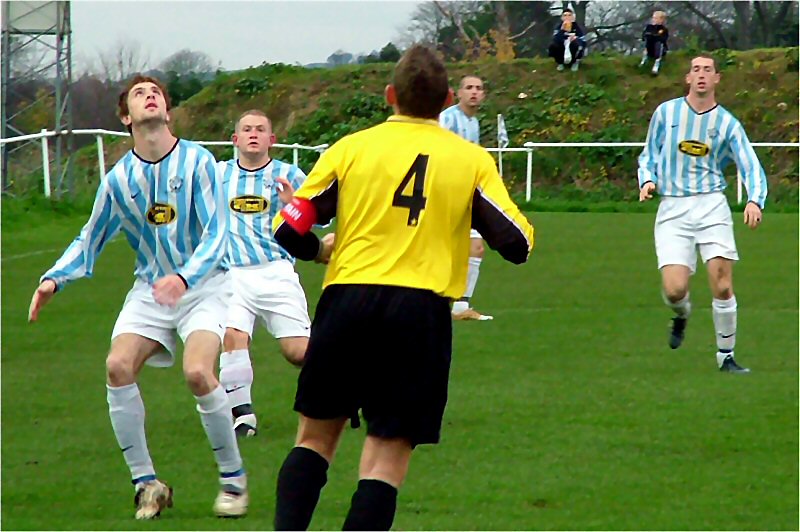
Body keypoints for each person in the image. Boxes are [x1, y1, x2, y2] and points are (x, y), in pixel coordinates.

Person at [269, 44, 535, 531]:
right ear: (449, 99)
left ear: (389, 95)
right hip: (419, 313)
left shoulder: (351, 148)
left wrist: (318, 251)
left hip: (347, 301)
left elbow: (288, 230)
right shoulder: (470, 160)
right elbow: (515, 244)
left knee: (313, 439)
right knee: (386, 458)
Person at [27, 75, 248, 519]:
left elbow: (218, 234)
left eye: (157, 92)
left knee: (198, 373)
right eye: (139, 94)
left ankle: (233, 481)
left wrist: (184, 279)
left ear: (167, 109)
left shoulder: (199, 162)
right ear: (126, 117)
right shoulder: (118, 180)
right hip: (150, 289)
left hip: (204, 287)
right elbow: (90, 238)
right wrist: (54, 279)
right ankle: (147, 483)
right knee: (116, 366)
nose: (150, 96)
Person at [638, 55, 768, 374]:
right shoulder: (666, 113)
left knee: (722, 284)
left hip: (711, 204)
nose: (701, 75)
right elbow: (648, 154)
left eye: (707, 70)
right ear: (687, 78)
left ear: (716, 79)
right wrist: (648, 180)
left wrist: (755, 200)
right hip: (673, 208)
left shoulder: (726, 123)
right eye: (696, 70)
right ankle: (681, 315)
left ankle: (726, 356)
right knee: (674, 290)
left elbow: (749, 163)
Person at [218, 109, 312, 439]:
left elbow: (316, 223)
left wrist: (292, 205)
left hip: (276, 272)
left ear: (272, 139)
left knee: (298, 353)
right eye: (247, 129)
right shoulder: (218, 175)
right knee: (232, 336)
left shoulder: (289, 174)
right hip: (231, 275)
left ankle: (352, 378)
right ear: (236, 139)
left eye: (260, 129)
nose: (253, 134)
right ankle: (242, 417)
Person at [439, 75, 493, 321]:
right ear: (458, 93)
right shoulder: (447, 119)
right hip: (444, 195)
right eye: (469, 88)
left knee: (475, 247)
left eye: (478, 88)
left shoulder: (474, 123)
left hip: (466, 196)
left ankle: (461, 306)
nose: (474, 92)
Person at [548, 8, 586, 72]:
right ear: (562, 18)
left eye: (569, 15)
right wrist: (562, 30)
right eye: (565, 15)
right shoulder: (558, 27)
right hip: (563, 48)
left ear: (572, 17)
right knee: (553, 46)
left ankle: (575, 62)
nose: (567, 17)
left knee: (576, 44)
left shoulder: (578, 28)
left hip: (573, 48)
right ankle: (560, 62)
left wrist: (576, 39)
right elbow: (555, 39)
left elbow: (584, 42)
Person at [639, 10, 669, 75]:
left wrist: (655, 36)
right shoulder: (649, 27)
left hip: (659, 49)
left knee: (658, 43)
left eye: (655, 18)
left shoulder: (663, 29)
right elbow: (644, 35)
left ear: (661, 20)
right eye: (653, 18)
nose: (653, 20)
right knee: (648, 40)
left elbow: (663, 39)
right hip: (649, 47)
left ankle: (656, 63)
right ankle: (644, 60)